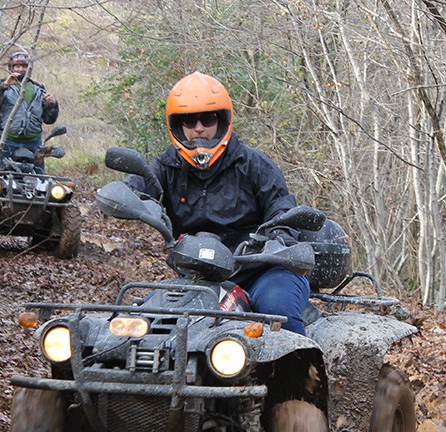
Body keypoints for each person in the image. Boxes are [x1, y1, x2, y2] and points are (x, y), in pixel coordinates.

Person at [126, 71, 310, 335]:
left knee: (277, 311)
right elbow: (139, 188)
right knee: (145, 323)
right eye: (189, 120)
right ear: (177, 126)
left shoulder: (254, 165)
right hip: (198, 275)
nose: (198, 127)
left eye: (207, 118)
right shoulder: (166, 166)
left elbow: (282, 207)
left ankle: (301, 375)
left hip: (260, 271)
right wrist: (123, 196)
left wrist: (278, 238)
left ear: (222, 120)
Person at [0, 51, 59, 170]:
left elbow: (49, 120)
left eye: (24, 66)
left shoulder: (39, 90)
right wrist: (4, 85)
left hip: (33, 143)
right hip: (7, 142)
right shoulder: (4, 87)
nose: (21, 69)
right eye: (18, 66)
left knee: (40, 180)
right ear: (11, 68)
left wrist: (52, 104)